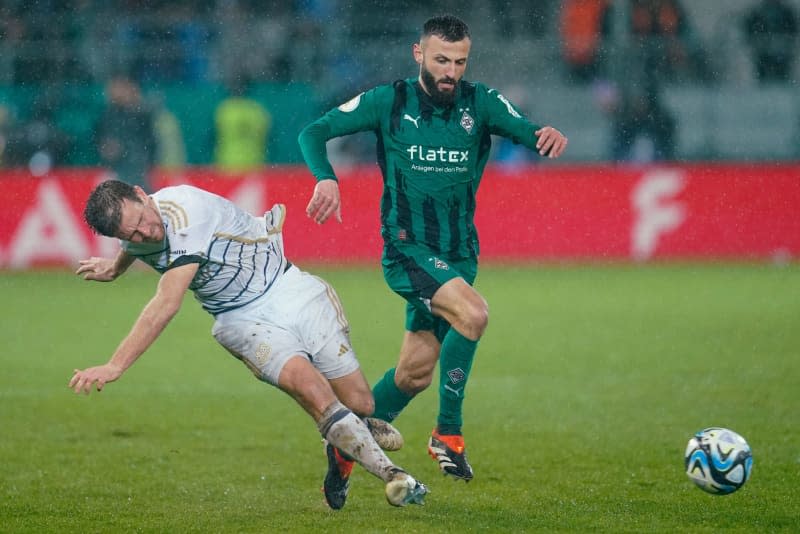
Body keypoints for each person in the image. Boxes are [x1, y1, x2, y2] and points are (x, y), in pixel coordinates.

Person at [298, 14, 567, 500]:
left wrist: (545, 135)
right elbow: (313, 132)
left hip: (459, 255)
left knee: (412, 375)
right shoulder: (389, 101)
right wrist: (325, 176)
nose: (451, 71)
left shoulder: (479, 102)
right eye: (441, 59)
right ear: (418, 53)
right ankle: (448, 433)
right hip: (407, 249)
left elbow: (528, 130)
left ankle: (343, 448)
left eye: (459, 61)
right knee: (474, 313)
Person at [68, 180, 428, 510]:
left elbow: (166, 302)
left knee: (359, 403)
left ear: (142, 193)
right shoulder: (132, 233)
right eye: (132, 232)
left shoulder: (186, 210)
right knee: (311, 390)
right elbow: (131, 243)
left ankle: (340, 447)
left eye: (143, 218)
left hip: (289, 290)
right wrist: (116, 268)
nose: (147, 231)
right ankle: (395, 476)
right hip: (241, 322)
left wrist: (115, 365)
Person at [94, 75, 157, 191]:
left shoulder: (141, 113)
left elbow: (150, 141)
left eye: (121, 88)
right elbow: (99, 140)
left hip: (136, 166)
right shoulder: (107, 115)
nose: (117, 92)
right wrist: (106, 148)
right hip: (116, 168)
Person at [742, 0, 799, 83]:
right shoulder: (784, 12)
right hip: (769, 49)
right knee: (768, 74)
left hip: (778, 49)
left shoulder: (760, 12)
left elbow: (793, 29)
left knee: (779, 75)